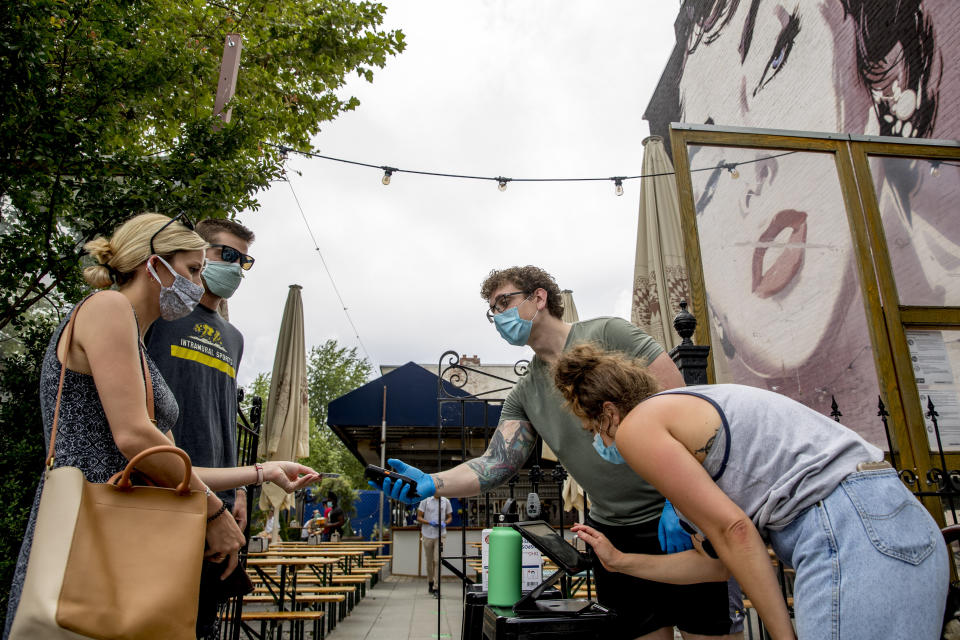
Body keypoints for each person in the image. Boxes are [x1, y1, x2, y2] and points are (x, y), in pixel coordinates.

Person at [646, 0, 960, 445]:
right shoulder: (730, 430)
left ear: (893, 76)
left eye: (777, 57)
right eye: (712, 172)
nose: (753, 173)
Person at [371, 266, 743, 640]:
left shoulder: (608, 334)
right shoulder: (524, 393)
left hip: (677, 520)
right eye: (492, 311)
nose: (498, 317)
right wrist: (432, 482)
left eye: (505, 302)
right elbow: (495, 463)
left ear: (539, 297)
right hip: (612, 536)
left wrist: (679, 502)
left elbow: (683, 404)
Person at [3, 213, 320, 640]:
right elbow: (135, 438)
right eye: (192, 269)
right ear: (154, 265)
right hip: (92, 530)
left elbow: (175, 463)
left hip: (120, 525)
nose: (196, 282)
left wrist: (264, 472)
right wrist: (213, 510)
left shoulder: (139, 344)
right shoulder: (109, 307)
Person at [555, 343, 948, 640]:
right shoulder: (696, 412)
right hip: (892, 519)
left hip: (846, 525)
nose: (601, 443)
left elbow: (735, 531)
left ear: (608, 413)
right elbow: (718, 565)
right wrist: (621, 561)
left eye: (594, 430)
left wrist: (782, 636)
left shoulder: (637, 426)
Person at [143, 217, 256, 637]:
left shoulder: (234, 337)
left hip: (219, 503)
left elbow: (226, 413)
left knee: (201, 622)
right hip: (163, 490)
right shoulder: (156, 316)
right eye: (227, 254)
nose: (235, 268)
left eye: (243, 261)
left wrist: (239, 489)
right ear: (197, 254)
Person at [417, 495, 453, 596]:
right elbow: (419, 517)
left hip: (440, 534)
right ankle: (430, 582)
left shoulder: (445, 501)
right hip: (427, 534)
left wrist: (445, 523)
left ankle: (437, 587)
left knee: (438, 560)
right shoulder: (425, 500)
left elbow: (450, 517)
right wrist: (429, 522)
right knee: (429, 561)